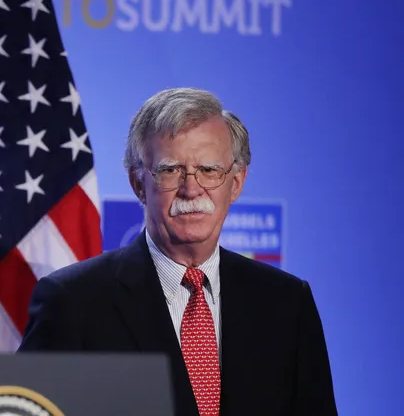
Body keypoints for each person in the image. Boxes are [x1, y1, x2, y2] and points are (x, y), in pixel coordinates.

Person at [18, 88, 337, 416]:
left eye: (209, 170)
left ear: (236, 182)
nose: (192, 189)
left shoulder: (287, 303)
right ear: (138, 183)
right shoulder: (73, 301)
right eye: (170, 170)